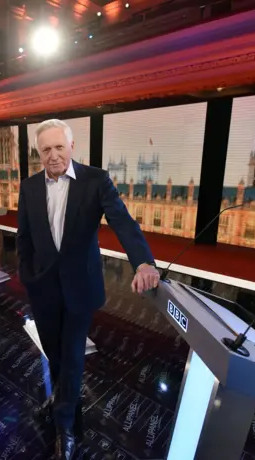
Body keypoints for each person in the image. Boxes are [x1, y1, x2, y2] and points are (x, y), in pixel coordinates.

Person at [17, 119, 160, 459]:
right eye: (46, 150)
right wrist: (26, 273)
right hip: (43, 289)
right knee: (54, 352)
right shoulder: (29, 187)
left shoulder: (96, 180)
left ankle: (65, 425)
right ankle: (63, 398)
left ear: (71, 146)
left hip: (80, 287)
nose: (53, 156)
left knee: (72, 356)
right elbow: (24, 236)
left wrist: (142, 262)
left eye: (59, 147)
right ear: (39, 154)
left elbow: (123, 221)